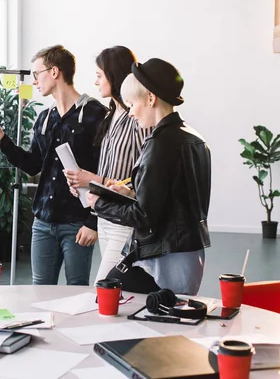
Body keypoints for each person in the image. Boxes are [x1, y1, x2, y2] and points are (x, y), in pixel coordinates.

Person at [0, 45, 106, 285]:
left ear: (55, 71)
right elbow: (33, 165)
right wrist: (0, 138)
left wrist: (93, 222)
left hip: (78, 223)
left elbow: (107, 174)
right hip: (43, 223)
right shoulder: (44, 118)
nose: (34, 81)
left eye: (37, 74)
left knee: (76, 292)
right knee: (40, 292)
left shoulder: (95, 115)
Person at [86, 58, 211, 295]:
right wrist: (132, 192)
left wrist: (100, 203)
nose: (131, 112)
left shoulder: (159, 143)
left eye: (132, 104)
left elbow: (144, 216)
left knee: (110, 297)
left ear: (151, 98)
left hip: (165, 256)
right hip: (189, 253)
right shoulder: (195, 139)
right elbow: (173, 198)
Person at [64, 46, 152, 283]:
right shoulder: (110, 115)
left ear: (114, 75)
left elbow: (146, 176)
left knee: (104, 288)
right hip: (104, 216)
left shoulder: (138, 118)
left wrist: (94, 181)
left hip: (125, 220)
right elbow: (109, 170)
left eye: (99, 75)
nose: (95, 82)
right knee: (115, 294)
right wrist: (86, 186)